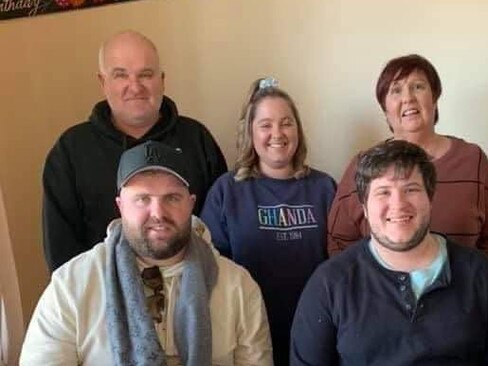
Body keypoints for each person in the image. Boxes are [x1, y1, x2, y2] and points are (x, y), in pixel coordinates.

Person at [22, 141, 272, 365]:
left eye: (172, 198)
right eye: (142, 199)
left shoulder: (238, 286)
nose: (158, 213)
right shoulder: (71, 285)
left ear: (191, 202)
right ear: (120, 206)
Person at [291, 140, 488, 365]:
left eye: (411, 189)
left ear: (431, 198)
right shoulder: (329, 283)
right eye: (383, 192)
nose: (398, 204)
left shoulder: (482, 275)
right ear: (364, 207)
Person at [42, 30, 227, 272]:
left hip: (192, 290)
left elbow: (222, 231)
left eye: (145, 75)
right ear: (103, 82)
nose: (135, 86)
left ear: (162, 80)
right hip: (103, 298)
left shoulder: (196, 139)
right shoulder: (71, 150)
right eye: (121, 75)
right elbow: (61, 250)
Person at [328, 54, 488, 270]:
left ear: (434, 99)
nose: (408, 98)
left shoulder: (473, 160)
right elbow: (339, 242)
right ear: (385, 109)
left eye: (418, 87)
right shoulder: (363, 165)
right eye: (396, 90)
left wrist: (477, 288)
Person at [201, 77, 336, 365]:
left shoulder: (325, 188)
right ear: (250, 132)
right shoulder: (226, 191)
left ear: (298, 129)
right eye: (266, 125)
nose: (278, 133)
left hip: (317, 327)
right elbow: (209, 266)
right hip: (248, 331)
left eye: (286, 123)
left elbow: (344, 262)